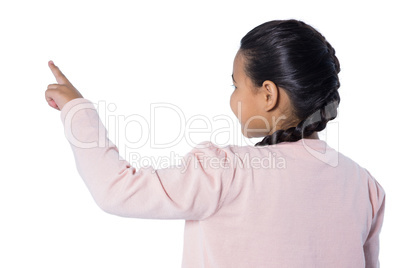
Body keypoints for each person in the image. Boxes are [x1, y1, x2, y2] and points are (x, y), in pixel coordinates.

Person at [45, 19, 385, 268]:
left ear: (268, 94)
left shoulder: (226, 172)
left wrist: (76, 108)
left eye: (236, 85)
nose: (233, 97)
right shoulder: (365, 187)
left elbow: (116, 189)